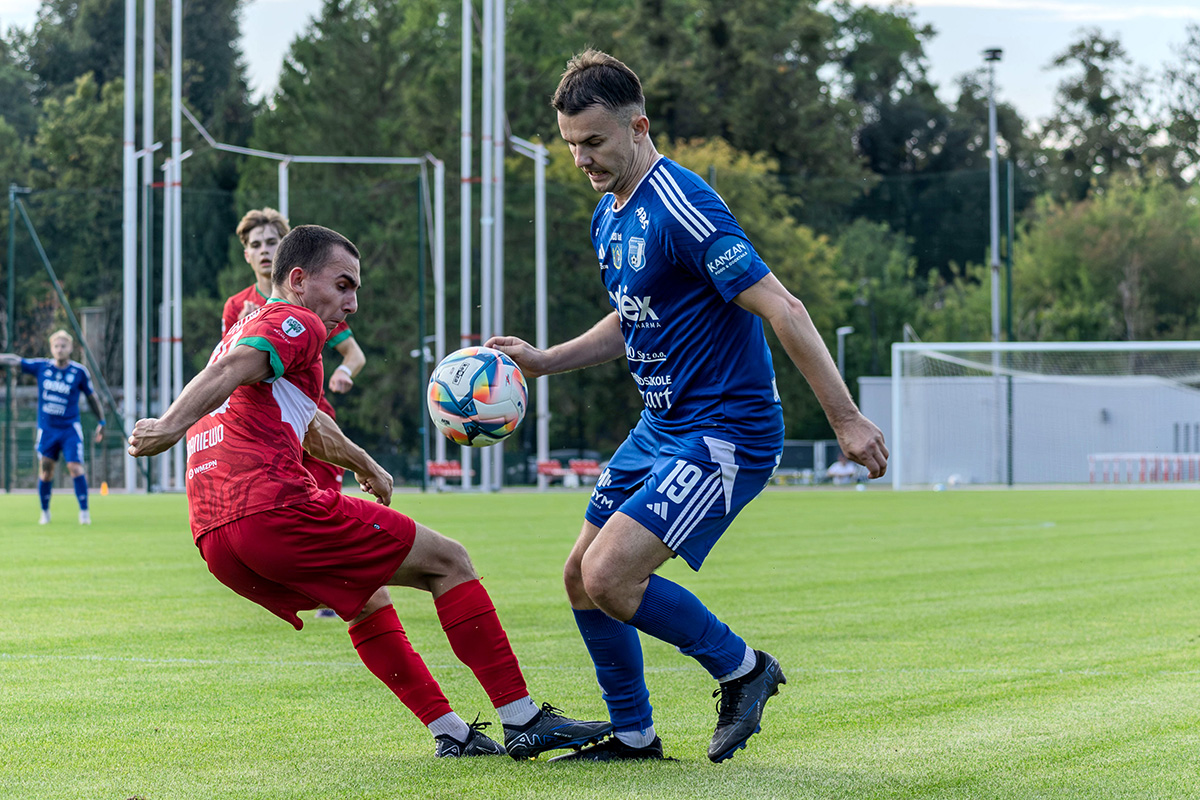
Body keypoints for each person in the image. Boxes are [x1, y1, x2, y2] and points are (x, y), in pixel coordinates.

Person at [486, 50, 888, 764]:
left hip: (726, 430)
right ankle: (634, 736)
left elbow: (785, 308)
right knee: (580, 578)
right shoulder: (609, 215)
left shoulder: (682, 205)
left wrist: (846, 419)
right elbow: (634, 318)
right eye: (571, 144)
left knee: (611, 576)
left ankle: (744, 670)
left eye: (594, 141)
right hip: (662, 428)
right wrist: (546, 360)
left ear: (638, 127)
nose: (581, 158)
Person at [128, 224, 611, 759]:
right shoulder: (295, 320)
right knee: (450, 561)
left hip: (216, 539)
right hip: (272, 510)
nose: (352, 303)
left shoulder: (251, 327)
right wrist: (169, 425)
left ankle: (451, 733)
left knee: (365, 597)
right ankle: (523, 719)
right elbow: (228, 370)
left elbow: (307, 423)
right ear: (298, 280)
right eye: (343, 285)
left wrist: (365, 463)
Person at [223, 208, 366, 500]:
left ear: (285, 250)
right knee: (276, 510)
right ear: (247, 255)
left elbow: (354, 354)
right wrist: (246, 328)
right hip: (267, 425)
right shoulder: (237, 306)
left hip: (314, 418)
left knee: (324, 511)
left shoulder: (314, 299)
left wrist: (344, 371)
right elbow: (228, 370)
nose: (265, 250)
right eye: (256, 245)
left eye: (272, 242)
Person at [1, 330, 106, 525]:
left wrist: (101, 421)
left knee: (75, 467)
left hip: (69, 429)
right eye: (56, 346)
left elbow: (92, 397)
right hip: (47, 430)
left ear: (70, 348)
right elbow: (16, 361)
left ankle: (84, 513)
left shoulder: (79, 372)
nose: (60, 349)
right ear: (51, 348)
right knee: (46, 470)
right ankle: (45, 512)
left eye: (63, 346)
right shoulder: (42, 367)